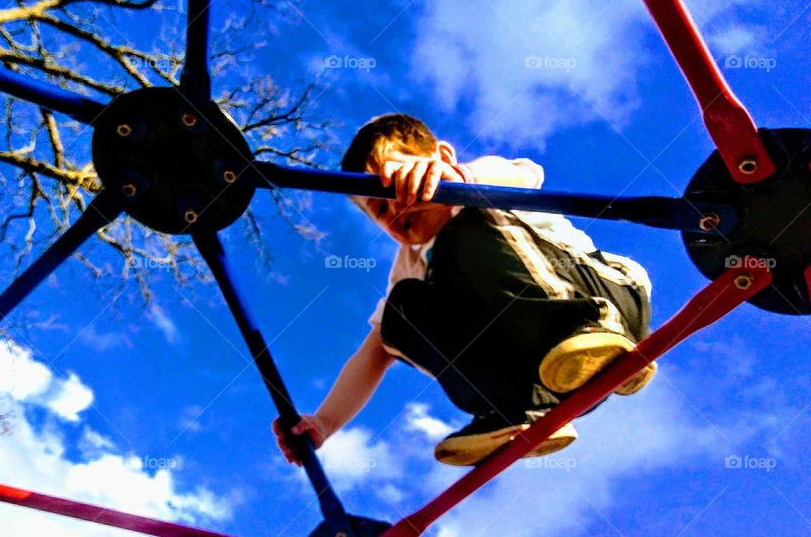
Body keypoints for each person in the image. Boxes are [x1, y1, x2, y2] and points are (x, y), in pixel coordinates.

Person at [273, 114, 654, 467]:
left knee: (466, 216)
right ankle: (517, 407)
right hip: (551, 374)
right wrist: (323, 421)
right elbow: (371, 355)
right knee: (400, 312)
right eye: (381, 210)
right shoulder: (410, 267)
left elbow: (517, 173)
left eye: (402, 185)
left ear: (440, 156)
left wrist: (455, 177)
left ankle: (589, 329)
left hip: (607, 302)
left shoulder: (481, 183)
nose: (398, 210)